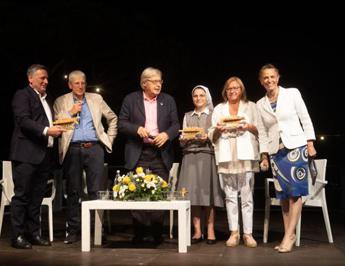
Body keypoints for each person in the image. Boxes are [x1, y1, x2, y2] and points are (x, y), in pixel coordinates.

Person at [256, 64, 317, 253]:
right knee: (283, 196)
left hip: (296, 147)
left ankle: (289, 236)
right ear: (261, 81)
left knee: (295, 193)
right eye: (265, 77)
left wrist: (310, 143)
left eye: (272, 76)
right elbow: (262, 132)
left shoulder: (292, 93)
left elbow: (305, 117)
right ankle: (287, 234)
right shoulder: (260, 104)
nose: (269, 80)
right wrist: (264, 155)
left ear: (278, 77)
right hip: (276, 152)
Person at [53, 70, 118, 244]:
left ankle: (97, 230)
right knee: (73, 191)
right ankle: (73, 231)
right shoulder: (61, 101)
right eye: (77, 83)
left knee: (96, 190)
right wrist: (71, 112)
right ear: (70, 85)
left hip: (94, 148)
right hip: (72, 149)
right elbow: (56, 124)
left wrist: (108, 139)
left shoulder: (95, 99)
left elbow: (112, 118)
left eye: (83, 83)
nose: (81, 86)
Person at [118, 67, 180, 244]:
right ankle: (139, 233)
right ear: (144, 83)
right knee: (136, 192)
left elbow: (175, 124)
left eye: (160, 81)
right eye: (154, 81)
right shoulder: (131, 99)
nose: (158, 84)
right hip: (138, 152)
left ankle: (156, 234)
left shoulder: (168, 100)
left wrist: (167, 134)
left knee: (159, 193)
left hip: (160, 153)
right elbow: (122, 123)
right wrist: (136, 129)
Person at [9, 64, 65, 249]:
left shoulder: (46, 100)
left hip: (43, 155)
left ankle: (33, 233)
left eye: (47, 78)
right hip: (26, 154)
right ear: (30, 79)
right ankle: (17, 235)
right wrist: (48, 130)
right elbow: (23, 120)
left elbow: (46, 122)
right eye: (42, 78)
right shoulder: (22, 95)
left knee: (36, 198)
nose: (46, 81)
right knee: (22, 196)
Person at [208, 76, 260, 248]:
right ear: (225, 91)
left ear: (241, 90)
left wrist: (248, 127)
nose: (233, 91)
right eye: (229, 88)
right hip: (226, 154)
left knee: (247, 196)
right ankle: (234, 232)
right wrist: (218, 129)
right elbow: (211, 134)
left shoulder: (251, 107)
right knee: (230, 196)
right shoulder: (219, 108)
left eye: (236, 88)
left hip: (245, 154)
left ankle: (248, 234)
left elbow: (260, 129)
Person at [177, 85, 224, 245]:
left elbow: (218, 138)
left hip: (206, 155)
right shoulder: (187, 116)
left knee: (208, 195)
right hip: (190, 156)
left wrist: (208, 138)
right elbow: (183, 137)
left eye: (201, 95)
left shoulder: (213, 115)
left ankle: (210, 229)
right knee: (192, 195)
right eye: (195, 96)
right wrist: (183, 140)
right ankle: (197, 230)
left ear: (207, 97)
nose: (198, 98)